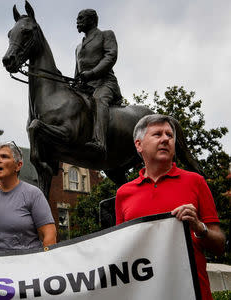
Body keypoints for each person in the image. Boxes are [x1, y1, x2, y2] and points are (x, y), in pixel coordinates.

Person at [115, 114, 225, 300]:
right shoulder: (124, 193)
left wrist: (199, 227)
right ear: (139, 145)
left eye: (169, 135)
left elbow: (220, 246)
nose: (166, 139)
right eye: (157, 134)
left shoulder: (195, 182)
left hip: (193, 293)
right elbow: (121, 250)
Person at [0, 141, 56, 251]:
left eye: (4, 157)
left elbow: (49, 234)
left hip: (25, 263)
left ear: (18, 166)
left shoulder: (33, 193)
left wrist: (46, 261)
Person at [74, 9, 122, 158]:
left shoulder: (106, 34)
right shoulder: (78, 47)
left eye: (81, 18)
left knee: (98, 99)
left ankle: (100, 142)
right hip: (85, 86)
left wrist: (93, 73)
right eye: (77, 18)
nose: (77, 21)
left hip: (104, 82)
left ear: (92, 20)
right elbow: (77, 71)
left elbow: (110, 56)